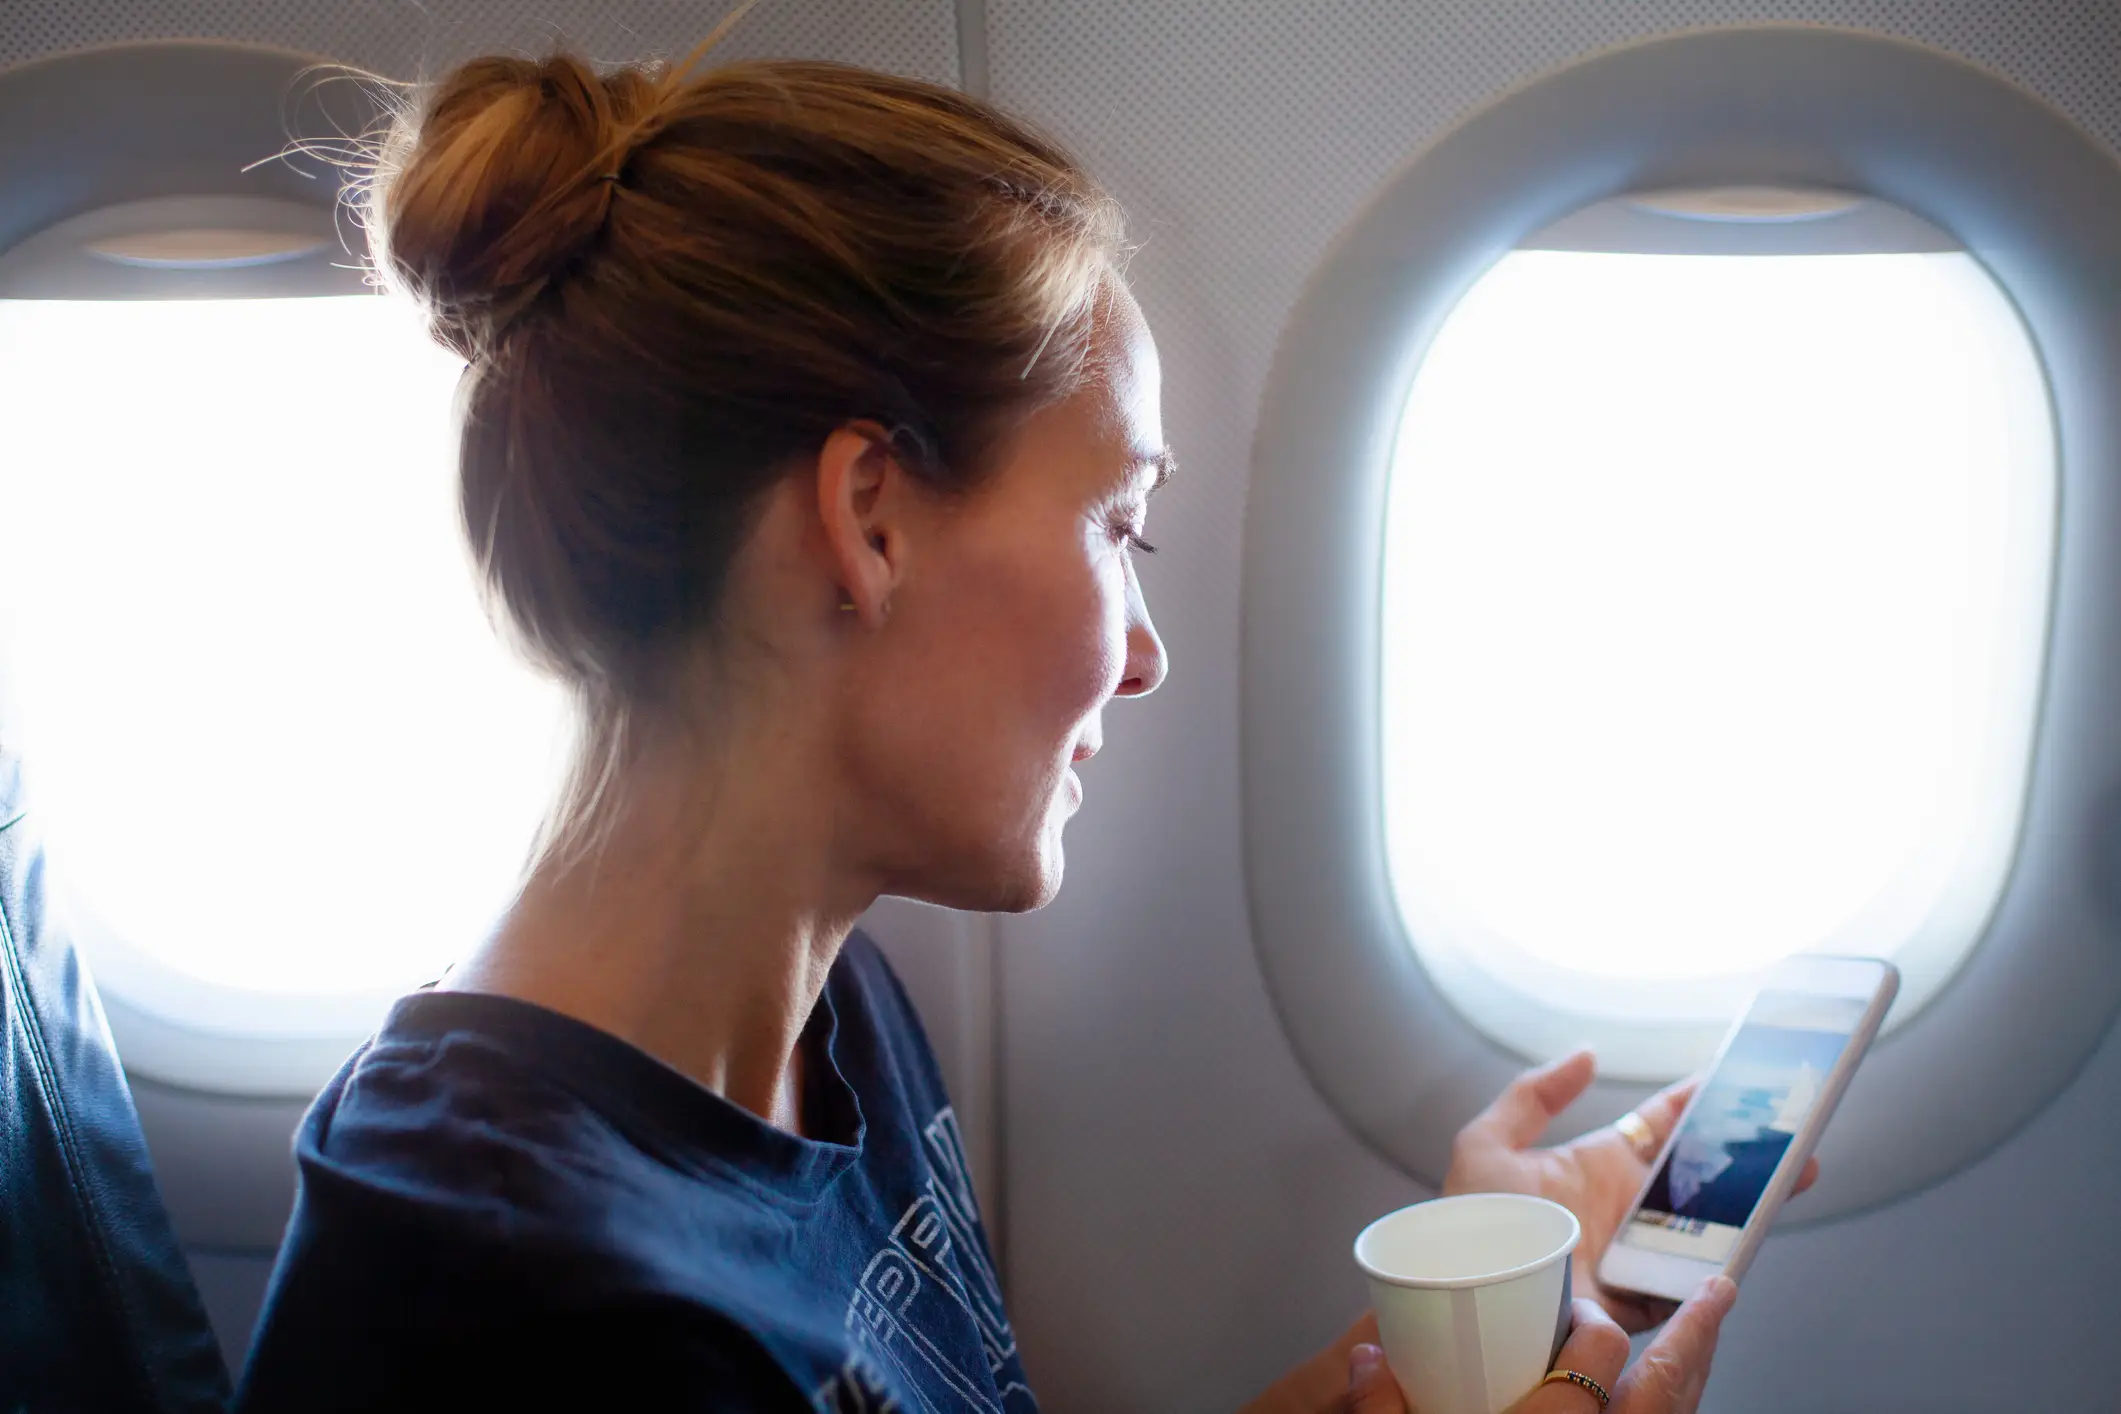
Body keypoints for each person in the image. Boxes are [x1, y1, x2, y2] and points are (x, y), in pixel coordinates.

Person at [235, 38, 1798, 1414]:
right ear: (870, 520)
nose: (1147, 656)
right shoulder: (525, 1312)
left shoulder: (828, 1015)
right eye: (1123, 523)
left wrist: (1473, 1325)